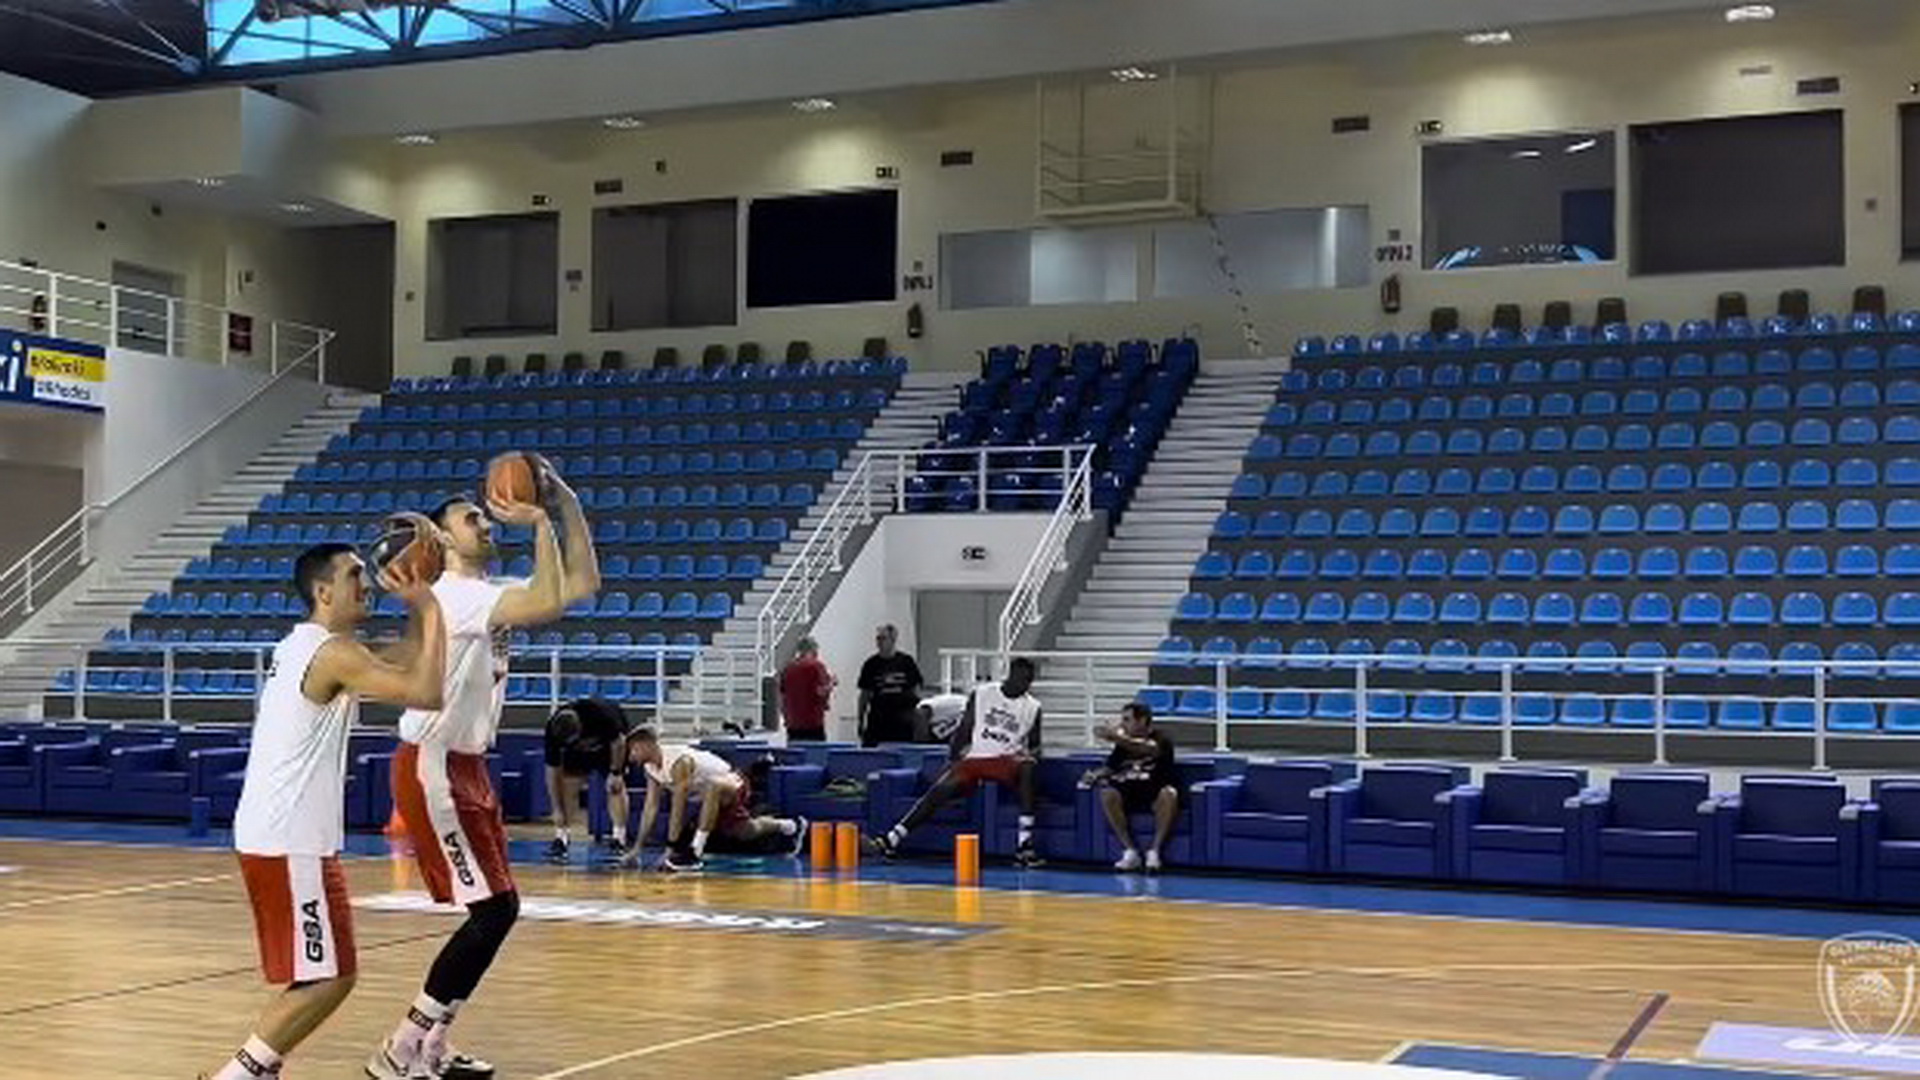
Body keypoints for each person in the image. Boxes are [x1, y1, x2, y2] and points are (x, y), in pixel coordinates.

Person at [366, 466, 599, 1080]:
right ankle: (401, 1047)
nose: (485, 521)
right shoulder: (454, 595)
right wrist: (541, 520)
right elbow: (547, 599)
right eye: (471, 518)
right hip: (434, 763)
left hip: (464, 764)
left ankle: (432, 1045)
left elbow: (582, 582)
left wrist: (565, 500)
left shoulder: (484, 593)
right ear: (442, 540)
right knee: (494, 911)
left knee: (498, 910)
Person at [206, 543, 446, 1080]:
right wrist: (429, 606)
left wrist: (423, 604)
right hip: (290, 837)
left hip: (281, 833)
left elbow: (406, 658)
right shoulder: (334, 653)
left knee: (324, 973)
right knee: (328, 976)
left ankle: (254, 1071)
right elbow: (427, 691)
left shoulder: (312, 646)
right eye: (354, 574)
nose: (366, 583)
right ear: (323, 592)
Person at [870, 657, 1045, 868]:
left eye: (1029, 680)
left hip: (1006, 760)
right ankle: (892, 839)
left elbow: (1035, 745)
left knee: (1028, 767)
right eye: (1023, 679)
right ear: (1011, 675)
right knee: (941, 789)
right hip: (976, 759)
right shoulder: (983, 693)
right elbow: (964, 730)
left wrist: (1031, 755)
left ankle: (1024, 845)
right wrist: (952, 760)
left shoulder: (1033, 707)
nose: (1026, 685)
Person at [621, 729, 807, 871]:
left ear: (646, 745)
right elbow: (650, 808)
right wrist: (637, 848)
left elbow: (679, 808)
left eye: (633, 751)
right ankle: (790, 826)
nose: (631, 758)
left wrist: (670, 849)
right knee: (746, 831)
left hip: (733, 782)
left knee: (712, 786)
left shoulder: (678, 762)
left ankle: (695, 852)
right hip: (706, 798)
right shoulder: (650, 769)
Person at [1084, 702, 1179, 873]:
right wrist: (1094, 775)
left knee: (1169, 794)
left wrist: (1116, 737)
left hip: (1154, 791)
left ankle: (1154, 851)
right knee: (1107, 793)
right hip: (1129, 791)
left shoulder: (1162, 739)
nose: (1123, 724)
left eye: (1127, 720)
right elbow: (1109, 767)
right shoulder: (1122, 746)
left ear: (1142, 720)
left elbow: (1148, 749)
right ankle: (1130, 851)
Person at [543, 696, 631, 863]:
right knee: (568, 785)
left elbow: (619, 742)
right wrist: (556, 807)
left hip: (610, 747)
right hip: (578, 754)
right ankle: (561, 837)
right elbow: (552, 771)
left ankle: (619, 838)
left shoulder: (601, 714)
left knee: (615, 787)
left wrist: (616, 772)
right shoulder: (553, 731)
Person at [857, 624, 923, 747]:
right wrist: (860, 719)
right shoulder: (870, 665)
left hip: (902, 721)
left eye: (883, 638)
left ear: (893, 640)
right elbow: (864, 694)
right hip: (878, 721)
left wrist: (918, 720)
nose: (879, 642)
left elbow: (916, 690)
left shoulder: (906, 662)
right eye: (878, 639)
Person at [777, 637, 835, 743]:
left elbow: (782, 697)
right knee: (814, 752)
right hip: (812, 724)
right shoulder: (817, 666)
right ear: (814, 650)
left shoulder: (788, 669)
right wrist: (831, 683)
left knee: (795, 752)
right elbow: (821, 692)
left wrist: (786, 718)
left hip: (793, 724)